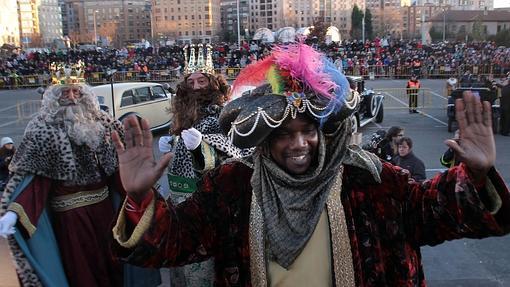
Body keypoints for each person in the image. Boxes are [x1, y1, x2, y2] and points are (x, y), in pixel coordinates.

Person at [110, 43, 510, 287]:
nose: (299, 143)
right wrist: (140, 197)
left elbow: (431, 212)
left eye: (308, 130)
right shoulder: (233, 186)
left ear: (324, 130)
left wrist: (473, 175)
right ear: (265, 139)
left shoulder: (366, 177)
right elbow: (178, 240)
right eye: (283, 133)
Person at [0, 64, 160, 287]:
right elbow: (36, 182)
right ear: (54, 98)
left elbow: (119, 175)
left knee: (114, 266)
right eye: (65, 93)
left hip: (106, 213)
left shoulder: (104, 124)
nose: (72, 98)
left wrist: (142, 198)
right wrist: (15, 213)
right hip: (70, 219)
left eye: (76, 92)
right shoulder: (41, 129)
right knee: (81, 272)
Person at [164, 43, 252, 287]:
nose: (195, 88)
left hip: (208, 202)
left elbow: (237, 155)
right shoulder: (183, 116)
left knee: (204, 264)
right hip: (180, 199)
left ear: (213, 84)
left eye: (201, 82)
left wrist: (200, 150)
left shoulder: (224, 115)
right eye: (190, 83)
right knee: (182, 256)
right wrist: (173, 146)